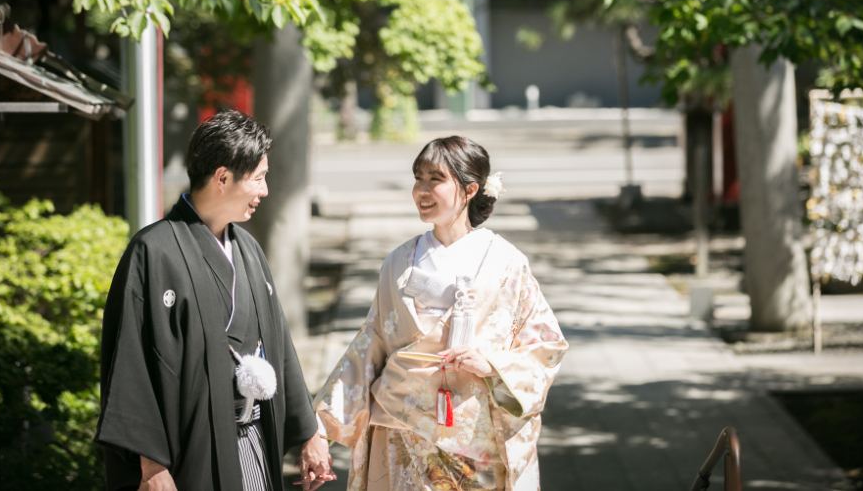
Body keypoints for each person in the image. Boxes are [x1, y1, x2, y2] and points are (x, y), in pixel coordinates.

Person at [96, 110, 336, 491]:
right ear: (222, 178)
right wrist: (151, 466)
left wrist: (309, 433)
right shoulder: (153, 252)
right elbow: (130, 364)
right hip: (189, 452)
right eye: (258, 178)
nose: (265, 190)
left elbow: (280, 347)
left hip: (253, 438)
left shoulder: (248, 249)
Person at [313, 136, 567, 491]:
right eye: (418, 178)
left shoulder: (507, 263)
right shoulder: (398, 262)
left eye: (436, 178)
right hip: (399, 427)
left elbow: (546, 346)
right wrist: (319, 430)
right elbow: (370, 343)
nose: (422, 189)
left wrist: (492, 365)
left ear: (469, 189)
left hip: (473, 435)